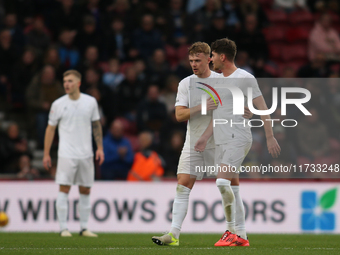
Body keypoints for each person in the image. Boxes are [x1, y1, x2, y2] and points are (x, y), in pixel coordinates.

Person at [151, 42, 252, 246]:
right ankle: (173, 235)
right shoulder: (185, 84)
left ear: (209, 59)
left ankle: (238, 233)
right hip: (193, 141)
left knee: (231, 185)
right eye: (191, 61)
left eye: (198, 60)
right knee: (182, 184)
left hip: (221, 142)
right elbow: (179, 115)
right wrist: (202, 106)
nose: (194, 64)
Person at [194, 38, 281, 246]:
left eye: (212, 55)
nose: (210, 59)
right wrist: (205, 137)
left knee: (222, 182)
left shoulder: (245, 78)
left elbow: (263, 108)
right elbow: (218, 114)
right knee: (233, 188)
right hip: (223, 139)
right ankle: (242, 235)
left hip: (238, 138)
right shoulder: (217, 81)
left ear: (222, 57)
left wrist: (269, 137)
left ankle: (231, 231)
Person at [43, 70, 104, 237]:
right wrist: (46, 153)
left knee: (85, 190)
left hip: (86, 154)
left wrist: (99, 148)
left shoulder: (90, 102)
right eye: (64, 81)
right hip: (66, 154)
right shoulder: (58, 104)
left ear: (78, 83)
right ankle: (63, 228)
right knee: (64, 188)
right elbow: (50, 128)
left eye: (70, 81)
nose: (66, 84)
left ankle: (84, 228)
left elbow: (96, 125)